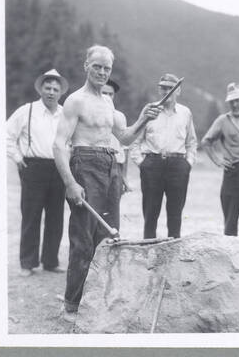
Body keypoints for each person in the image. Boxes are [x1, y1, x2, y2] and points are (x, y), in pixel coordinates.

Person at [53, 45, 162, 320]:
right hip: (84, 165)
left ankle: (95, 299)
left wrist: (143, 119)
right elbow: (58, 145)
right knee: (83, 240)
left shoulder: (107, 102)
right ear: (86, 66)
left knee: (107, 236)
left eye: (107, 68)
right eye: (97, 66)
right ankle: (71, 306)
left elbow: (124, 138)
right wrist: (70, 183)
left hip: (110, 166)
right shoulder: (75, 101)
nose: (102, 72)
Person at [7, 69, 69, 277]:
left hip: (58, 168)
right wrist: (17, 157)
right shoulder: (27, 111)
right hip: (33, 168)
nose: (51, 92)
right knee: (31, 215)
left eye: (55, 89)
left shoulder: (64, 113)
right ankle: (27, 262)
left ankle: (50, 261)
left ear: (61, 93)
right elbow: (6, 136)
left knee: (56, 217)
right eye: (48, 88)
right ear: (41, 89)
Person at [130, 73, 198, 239]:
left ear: (178, 91)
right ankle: (149, 254)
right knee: (150, 213)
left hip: (178, 166)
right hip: (152, 164)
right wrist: (142, 163)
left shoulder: (185, 113)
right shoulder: (150, 110)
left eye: (170, 88)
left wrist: (188, 163)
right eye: (163, 88)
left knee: (175, 214)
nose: (166, 91)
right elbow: (134, 140)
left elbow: (192, 142)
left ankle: (173, 255)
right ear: (159, 90)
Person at [202, 83, 239, 269]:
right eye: (231, 102)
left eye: (238, 101)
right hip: (232, 174)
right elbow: (206, 141)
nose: (234, 105)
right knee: (230, 222)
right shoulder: (222, 120)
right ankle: (230, 267)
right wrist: (218, 160)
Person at [101, 79, 132, 195]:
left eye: (111, 94)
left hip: (116, 166)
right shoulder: (88, 112)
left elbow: (124, 148)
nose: (108, 97)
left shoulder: (120, 116)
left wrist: (124, 176)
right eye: (104, 93)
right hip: (96, 164)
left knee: (113, 207)